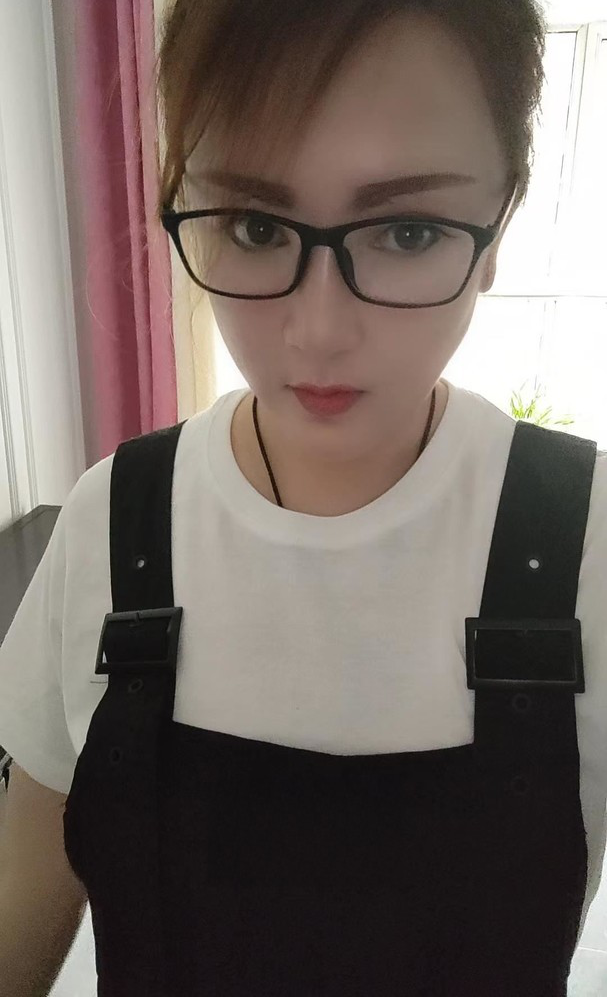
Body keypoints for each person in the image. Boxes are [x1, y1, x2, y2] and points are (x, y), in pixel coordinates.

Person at [0, 1, 606, 994]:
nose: (317, 331)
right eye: (253, 225)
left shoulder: (588, 541)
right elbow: (20, 907)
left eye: (407, 230)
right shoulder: (111, 520)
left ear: (499, 223)